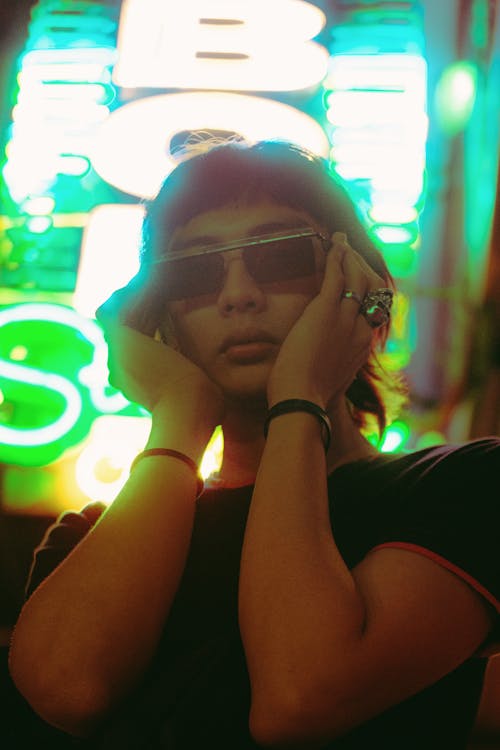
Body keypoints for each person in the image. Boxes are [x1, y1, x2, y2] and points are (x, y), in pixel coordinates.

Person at [7, 139, 500, 749]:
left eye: (280, 257)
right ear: (160, 313)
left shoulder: (465, 484)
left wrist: (297, 402)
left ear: (357, 286)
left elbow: (300, 695)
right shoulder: (90, 537)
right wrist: (179, 420)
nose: (237, 294)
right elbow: (68, 689)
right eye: (193, 271)